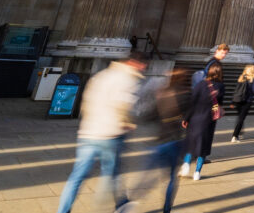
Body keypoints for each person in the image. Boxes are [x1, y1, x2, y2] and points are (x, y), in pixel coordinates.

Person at [56, 52, 147, 213]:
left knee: (77, 176)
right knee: (112, 173)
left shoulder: (101, 75)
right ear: (134, 63)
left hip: (89, 132)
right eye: (142, 65)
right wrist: (127, 122)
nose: (143, 69)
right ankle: (121, 204)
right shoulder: (127, 79)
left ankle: (63, 211)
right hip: (110, 135)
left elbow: (86, 102)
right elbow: (123, 104)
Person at [131, 68, 191, 213]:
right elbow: (191, 114)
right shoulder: (188, 95)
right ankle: (167, 208)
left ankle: (129, 202)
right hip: (176, 141)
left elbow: (149, 116)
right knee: (171, 178)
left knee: (145, 177)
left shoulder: (163, 93)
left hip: (160, 141)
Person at [179, 60, 223, 181]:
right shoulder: (221, 87)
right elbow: (219, 104)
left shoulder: (201, 84)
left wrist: (186, 118)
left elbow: (192, 102)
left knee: (191, 144)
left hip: (195, 119)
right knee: (204, 147)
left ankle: (186, 165)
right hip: (209, 121)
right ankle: (197, 172)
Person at [230, 65, 254, 142]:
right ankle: (235, 136)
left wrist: (232, 101)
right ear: (252, 71)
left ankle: (239, 133)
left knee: (240, 118)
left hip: (238, 100)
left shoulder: (241, 77)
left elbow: (236, 90)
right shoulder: (253, 79)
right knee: (241, 119)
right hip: (247, 101)